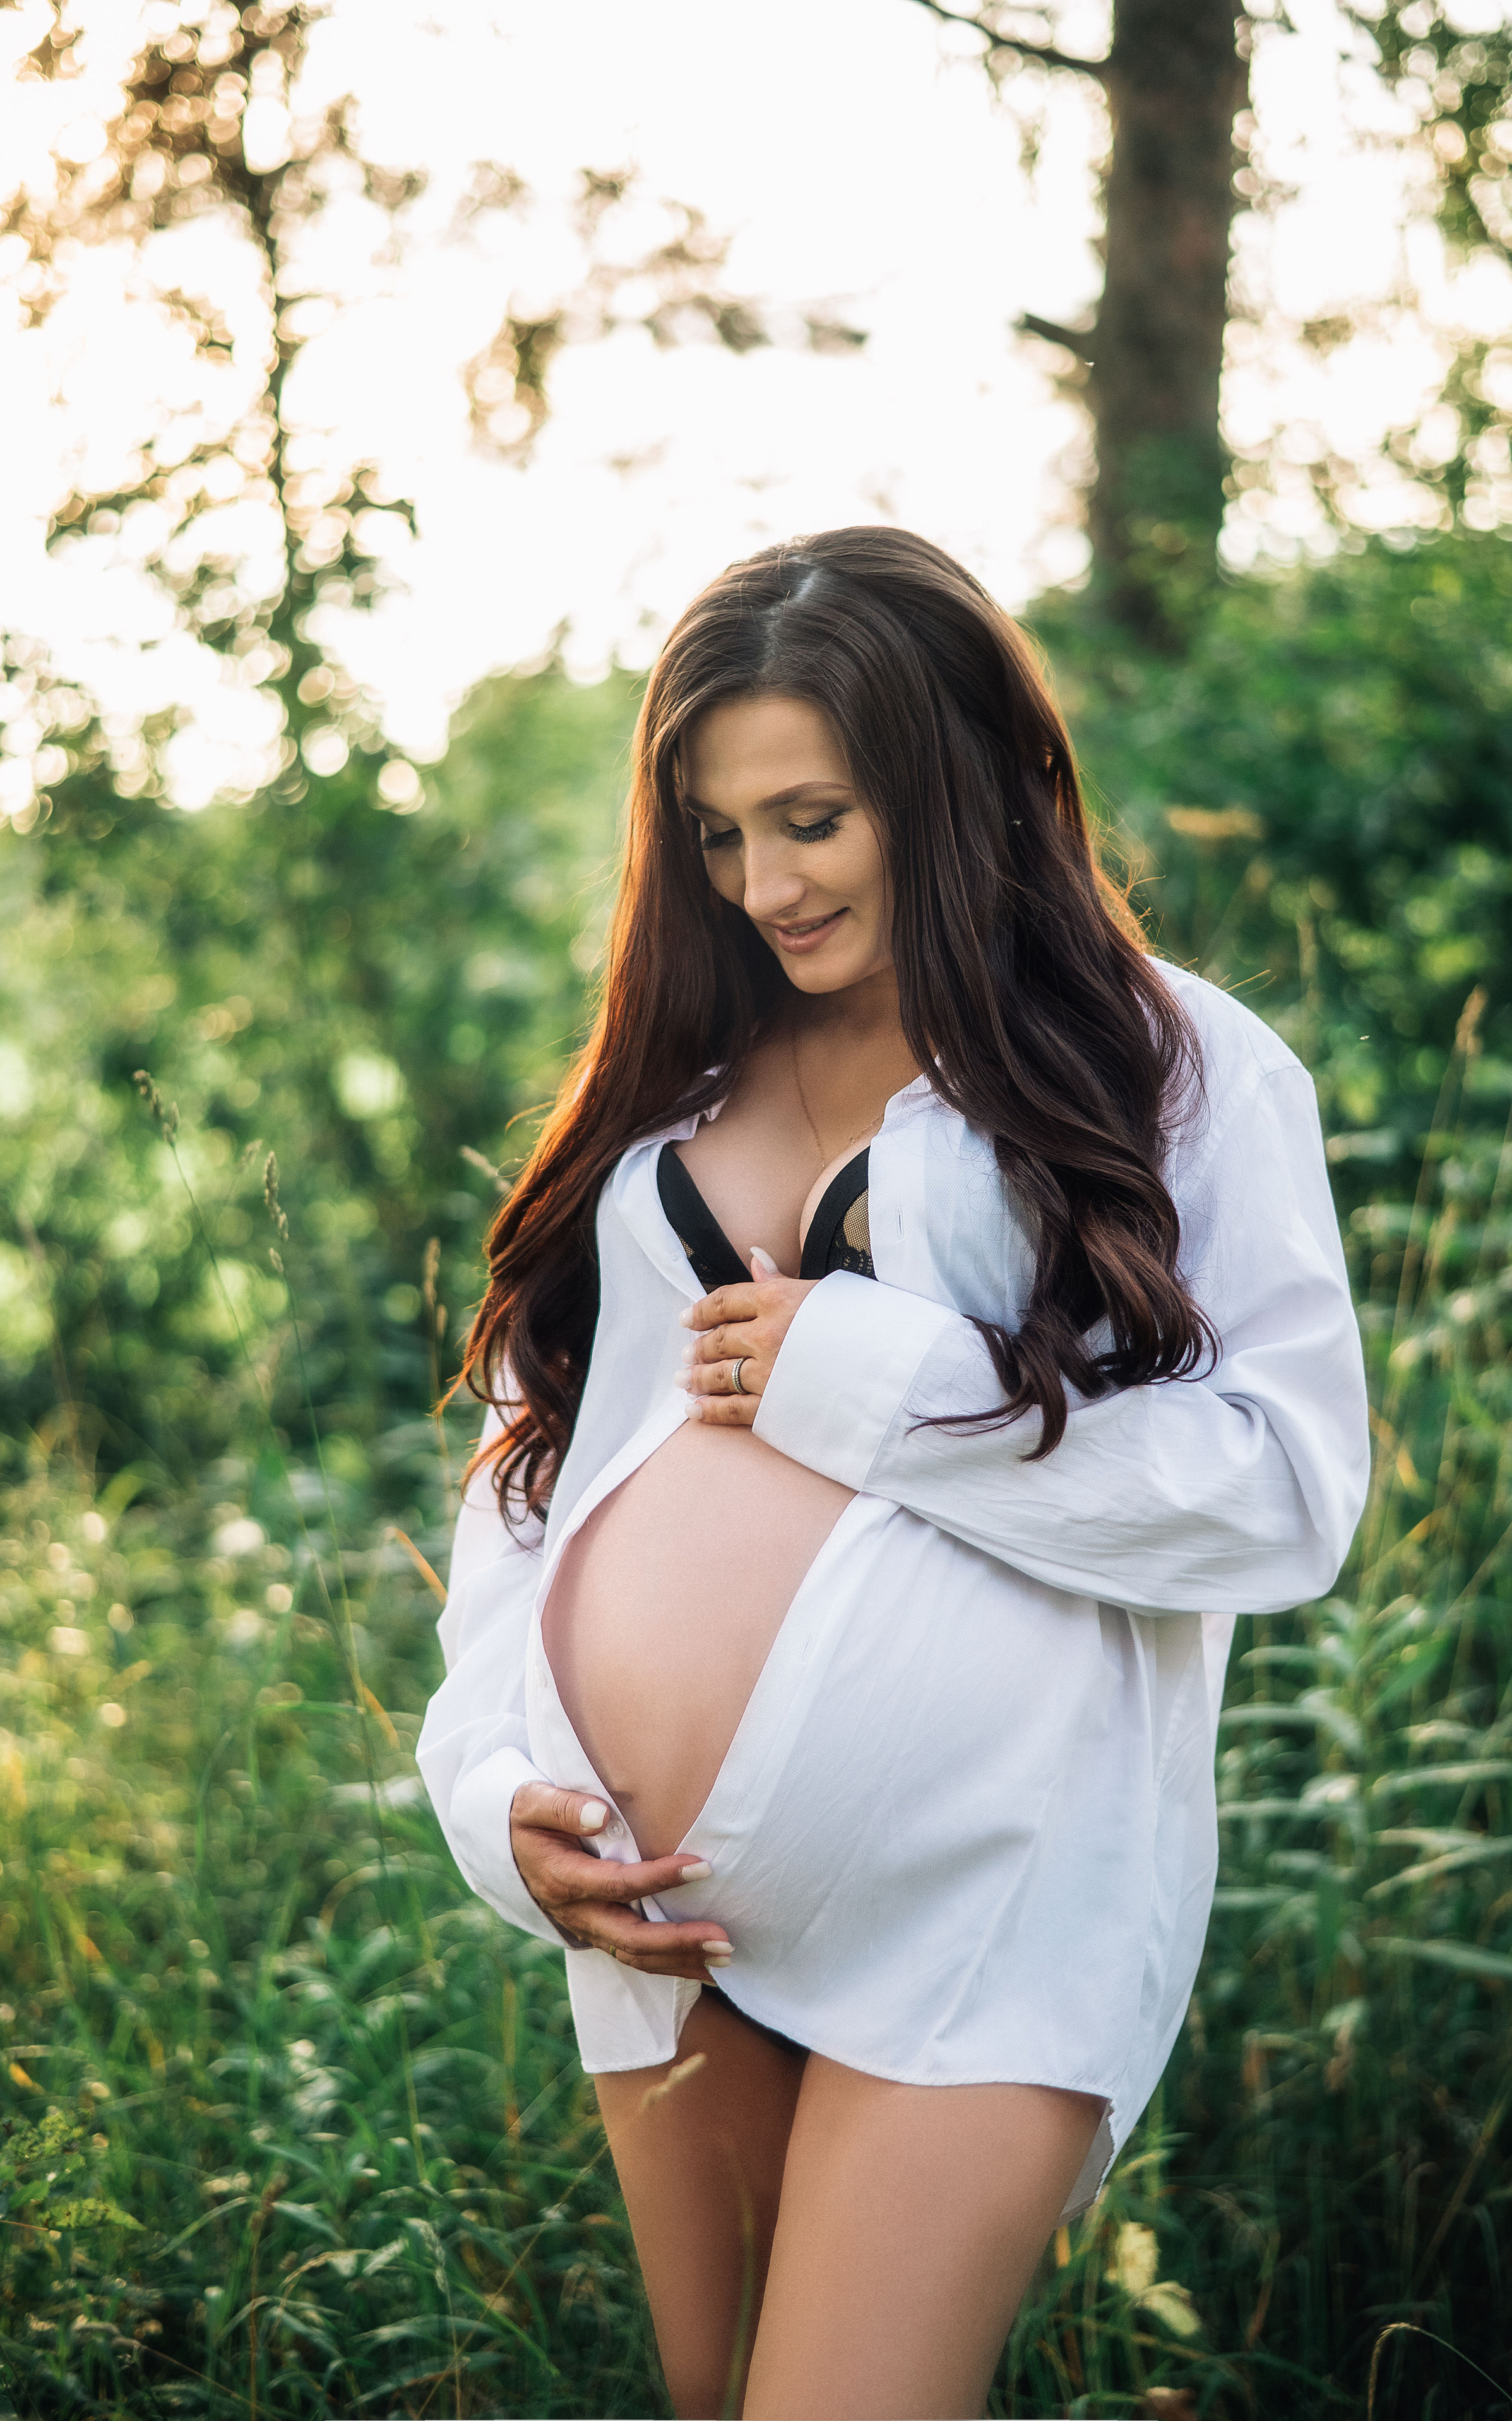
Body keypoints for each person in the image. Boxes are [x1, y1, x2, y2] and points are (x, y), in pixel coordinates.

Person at [417, 527, 1369, 2420]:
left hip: (985, 1905)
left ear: (952, 785)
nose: (760, 884)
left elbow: (1284, 1490)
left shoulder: (1173, 1070)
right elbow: (538, 1484)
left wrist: (881, 1384)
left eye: (812, 820)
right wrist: (494, 1788)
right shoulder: (672, 1097)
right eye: (716, 835)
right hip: (661, 1909)